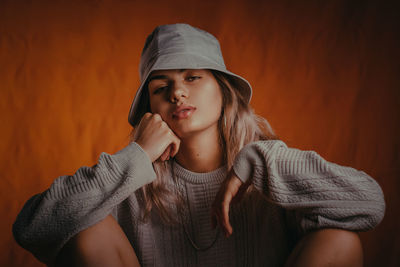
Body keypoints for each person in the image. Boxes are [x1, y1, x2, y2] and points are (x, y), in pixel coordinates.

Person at [13, 23, 385, 267]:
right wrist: (136, 156)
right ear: (151, 109)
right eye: (161, 87)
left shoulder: (271, 175)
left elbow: (370, 204)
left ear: (225, 92)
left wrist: (262, 159)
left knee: (341, 241)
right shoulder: (132, 179)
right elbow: (32, 228)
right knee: (88, 228)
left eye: (193, 76)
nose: (177, 92)